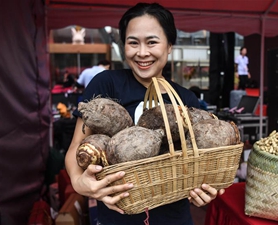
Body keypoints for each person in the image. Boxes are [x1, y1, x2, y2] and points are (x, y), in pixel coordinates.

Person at [65, 3, 224, 225]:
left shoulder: (184, 100)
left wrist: (202, 190)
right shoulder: (106, 84)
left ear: (169, 45)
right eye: (133, 43)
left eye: (151, 42)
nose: (142, 53)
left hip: (173, 219)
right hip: (117, 218)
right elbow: (76, 147)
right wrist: (78, 181)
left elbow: (197, 165)